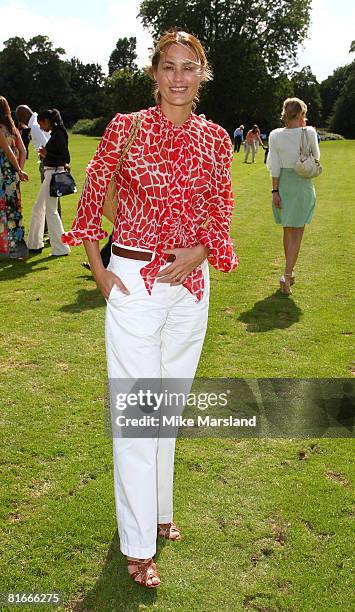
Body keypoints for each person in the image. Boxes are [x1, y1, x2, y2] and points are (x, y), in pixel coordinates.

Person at [62, 30, 238, 588]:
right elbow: (92, 197)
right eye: (169, 67)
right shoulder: (126, 127)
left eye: (190, 67)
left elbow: (221, 208)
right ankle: (138, 545)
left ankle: (160, 511)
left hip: (191, 289)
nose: (179, 77)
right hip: (134, 284)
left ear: (202, 74)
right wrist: (101, 274)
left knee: (166, 413)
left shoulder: (215, 140)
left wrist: (203, 250)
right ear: (154, 73)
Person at [267, 97, 320, 294]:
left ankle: (289, 272)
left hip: (282, 185)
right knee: (297, 232)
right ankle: (287, 276)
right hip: (301, 184)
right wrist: (304, 130)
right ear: (301, 114)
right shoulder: (310, 132)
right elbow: (317, 156)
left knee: (288, 231)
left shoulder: (274, 135)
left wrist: (275, 191)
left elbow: (274, 165)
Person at [26, 109, 70, 257]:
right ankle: (35, 244)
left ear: (47, 121)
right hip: (50, 173)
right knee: (40, 209)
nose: (41, 127)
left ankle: (60, 248)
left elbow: (65, 158)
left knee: (49, 211)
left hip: (53, 173)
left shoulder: (59, 134)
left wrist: (46, 154)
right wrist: (46, 154)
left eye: (41, 123)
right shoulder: (57, 134)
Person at [0, 95, 29, 259]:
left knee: (3, 209)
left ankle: (5, 249)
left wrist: (18, 169)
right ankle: (18, 247)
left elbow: (8, 151)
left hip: (3, 173)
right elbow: (23, 151)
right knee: (14, 209)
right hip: (12, 175)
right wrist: (19, 171)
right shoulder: (13, 129)